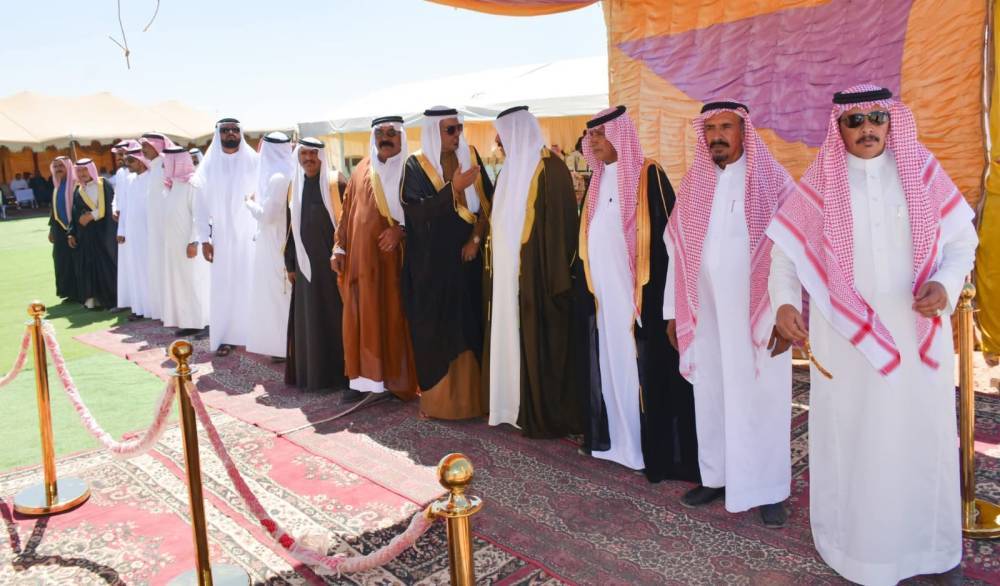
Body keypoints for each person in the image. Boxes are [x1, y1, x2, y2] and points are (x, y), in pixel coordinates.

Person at [767, 84, 978, 585]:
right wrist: (783, 304)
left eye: (877, 118)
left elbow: (962, 243)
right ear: (838, 127)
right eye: (855, 120)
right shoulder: (819, 186)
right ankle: (860, 555)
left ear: (891, 122)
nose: (867, 128)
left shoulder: (922, 173)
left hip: (916, 335)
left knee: (924, 440)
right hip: (846, 340)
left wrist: (947, 284)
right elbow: (784, 257)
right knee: (856, 440)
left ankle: (936, 552)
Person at [663, 100, 795, 526]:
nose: (717, 136)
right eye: (711, 128)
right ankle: (716, 475)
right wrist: (673, 311)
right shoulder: (695, 183)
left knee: (763, 398)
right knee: (711, 393)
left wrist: (786, 311)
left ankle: (769, 488)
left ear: (744, 131)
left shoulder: (773, 181)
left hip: (761, 316)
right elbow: (677, 252)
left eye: (726, 127)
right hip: (706, 314)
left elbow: (793, 250)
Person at [574, 105, 698, 481]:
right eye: (590, 135)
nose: (594, 141)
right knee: (610, 367)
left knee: (640, 371)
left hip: (639, 302)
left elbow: (668, 243)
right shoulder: (597, 182)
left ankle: (646, 449)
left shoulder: (648, 176)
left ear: (620, 134)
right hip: (604, 300)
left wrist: (662, 302)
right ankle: (615, 442)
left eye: (600, 134)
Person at [483, 106, 579, 437]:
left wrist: (550, 279)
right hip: (506, 280)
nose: (499, 142)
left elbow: (562, 230)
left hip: (540, 278)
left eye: (502, 136)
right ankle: (510, 406)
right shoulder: (508, 171)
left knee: (539, 342)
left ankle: (539, 413)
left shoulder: (551, 170)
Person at [401, 106, 493, 419]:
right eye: (449, 130)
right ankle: (439, 405)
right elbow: (417, 212)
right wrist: (453, 189)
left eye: (458, 129)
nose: (457, 135)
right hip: (432, 269)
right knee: (437, 336)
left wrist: (475, 239)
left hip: (467, 264)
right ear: (433, 131)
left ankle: (474, 403)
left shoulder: (471, 157)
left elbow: (487, 205)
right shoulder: (415, 165)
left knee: (469, 329)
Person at [332, 116, 418, 402]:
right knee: (359, 319)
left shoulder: (412, 169)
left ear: (402, 136)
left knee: (392, 319)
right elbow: (347, 211)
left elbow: (425, 212)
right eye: (380, 133)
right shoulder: (361, 169)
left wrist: (401, 231)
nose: (385, 137)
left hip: (395, 261)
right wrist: (339, 248)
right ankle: (362, 381)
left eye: (392, 132)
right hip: (360, 262)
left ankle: (394, 381)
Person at [192, 118, 260, 356]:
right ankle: (226, 337)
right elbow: (200, 207)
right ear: (217, 134)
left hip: (251, 236)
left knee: (252, 284)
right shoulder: (208, 166)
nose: (230, 133)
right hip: (221, 238)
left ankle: (257, 336)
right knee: (224, 287)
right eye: (225, 130)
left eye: (234, 130)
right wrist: (204, 239)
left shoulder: (255, 162)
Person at [285, 137, 348, 392]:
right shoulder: (294, 186)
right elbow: (289, 228)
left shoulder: (336, 183)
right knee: (311, 321)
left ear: (322, 155)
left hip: (334, 267)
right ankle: (315, 377)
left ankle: (342, 376)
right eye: (304, 154)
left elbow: (347, 223)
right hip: (305, 267)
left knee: (336, 319)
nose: (309, 158)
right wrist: (290, 263)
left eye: (313, 153)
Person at [245, 132, 295, 359]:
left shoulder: (277, 177)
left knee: (279, 294)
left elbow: (267, 216)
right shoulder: (289, 171)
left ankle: (284, 347)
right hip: (277, 240)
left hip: (276, 243)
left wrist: (248, 203)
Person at [68, 159, 117, 310]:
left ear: (91, 170)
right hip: (86, 236)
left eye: (85, 170)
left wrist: (91, 216)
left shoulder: (103, 184)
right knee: (89, 267)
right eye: (79, 171)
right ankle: (93, 300)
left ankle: (112, 300)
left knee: (106, 266)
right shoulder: (78, 190)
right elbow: (74, 214)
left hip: (104, 234)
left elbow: (110, 206)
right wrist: (71, 233)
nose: (82, 174)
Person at [140, 132, 174, 321]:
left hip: (167, 227)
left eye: (146, 145)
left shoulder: (165, 164)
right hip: (155, 228)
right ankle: (162, 310)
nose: (143, 149)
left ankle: (171, 310)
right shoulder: (153, 167)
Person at [121, 146, 151, 320]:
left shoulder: (152, 177)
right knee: (136, 271)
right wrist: (122, 229)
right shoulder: (130, 180)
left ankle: (153, 309)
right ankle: (140, 308)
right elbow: (125, 207)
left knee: (149, 271)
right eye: (126, 161)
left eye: (130, 161)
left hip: (149, 234)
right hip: (133, 234)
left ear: (141, 161)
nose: (127, 164)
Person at [48, 157, 79, 301]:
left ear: (68, 167)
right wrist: (51, 230)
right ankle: (68, 292)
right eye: (55, 166)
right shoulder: (57, 186)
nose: (58, 169)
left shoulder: (76, 185)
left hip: (76, 229)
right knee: (61, 259)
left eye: (61, 166)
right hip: (60, 229)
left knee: (76, 260)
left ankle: (80, 291)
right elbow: (54, 210)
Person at [112, 140, 137, 312]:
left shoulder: (138, 174)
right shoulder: (121, 173)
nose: (119, 158)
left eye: (122, 154)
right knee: (126, 265)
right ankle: (127, 302)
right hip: (123, 224)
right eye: (118, 155)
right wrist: (114, 208)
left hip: (134, 225)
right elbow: (117, 196)